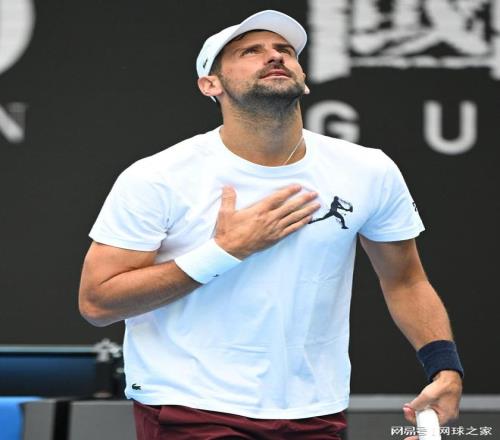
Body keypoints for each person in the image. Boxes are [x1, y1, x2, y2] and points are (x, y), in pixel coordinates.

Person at [79, 10, 463, 440]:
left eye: (285, 50)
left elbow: (406, 281)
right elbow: (98, 303)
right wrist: (223, 252)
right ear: (211, 84)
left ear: (304, 78)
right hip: (190, 402)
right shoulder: (158, 177)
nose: (275, 56)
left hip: (315, 408)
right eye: (250, 51)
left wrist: (444, 367)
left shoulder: (368, 169)